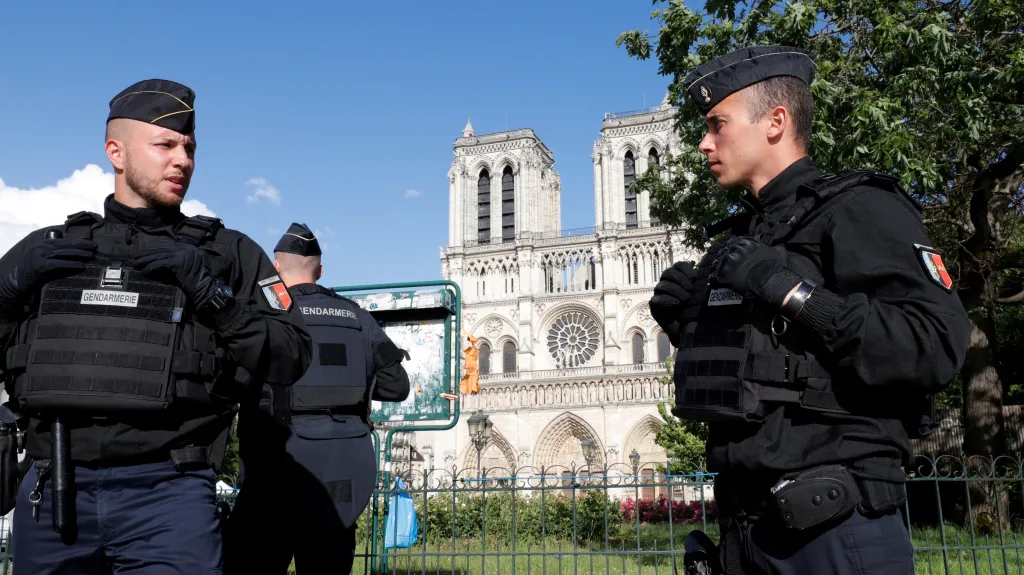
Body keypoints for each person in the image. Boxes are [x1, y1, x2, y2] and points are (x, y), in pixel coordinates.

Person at [649, 46, 971, 574]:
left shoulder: (859, 207)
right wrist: (687, 325)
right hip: (746, 531)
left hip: (836, 532)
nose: (703, 143)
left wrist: (786, 289)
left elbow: (933, 345)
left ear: (775, 122)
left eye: (717, 124)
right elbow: (760, 374)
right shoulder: (741, 241)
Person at [0, 79, 313, 574]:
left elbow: (293, 355)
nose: (183, 160)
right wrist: (6, 290)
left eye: (189, 147)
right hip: (55, 488)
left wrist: (213, 295)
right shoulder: (50, 249)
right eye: (165, 145)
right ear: (115, 152)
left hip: (170, 495)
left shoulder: (226, 255)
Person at [224, 223, 411, 575]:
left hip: (272, 475)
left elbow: (230, 382)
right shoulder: (358, 317)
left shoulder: (261, 316)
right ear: (320, 271)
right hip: (340, 482)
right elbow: (396, 386)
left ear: (276, 269)